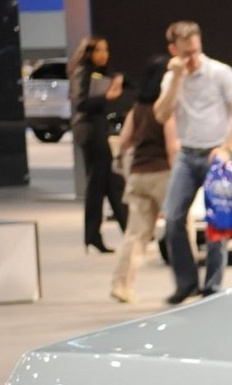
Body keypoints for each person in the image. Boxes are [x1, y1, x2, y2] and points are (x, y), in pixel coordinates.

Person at [151, 20, 232, 303]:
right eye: (186, 53)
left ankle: (212, 286)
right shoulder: (172, 78)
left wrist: (226, 147)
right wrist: (175, 78)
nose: (193, 58)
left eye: (196, 51)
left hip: (216, 155)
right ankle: (186, 282)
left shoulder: (220, 73)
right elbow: (161, 115)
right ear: (173, 50)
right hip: (187, 155)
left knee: (217, 222)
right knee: (173, 217)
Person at [109, 61, 175, 304]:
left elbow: (124, 141)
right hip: (163, 174)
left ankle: (121, 285)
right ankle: (187, 282)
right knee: (180, 230)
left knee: (135, 234)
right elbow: (172, 147)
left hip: (138, 175)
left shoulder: (136, 109)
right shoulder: (166, 109)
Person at [68, 37, 128, 252]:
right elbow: (81, 103)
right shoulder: (83, 72)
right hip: (89, 131)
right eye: (99, 50)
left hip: (98, 129)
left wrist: (117, 83)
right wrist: (106, 96)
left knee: (112, 182)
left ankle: (126, 230)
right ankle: (94, 234)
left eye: (106, 50)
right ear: (89, 53)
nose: (104, 54)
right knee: (98, 184)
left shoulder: (101, 72)